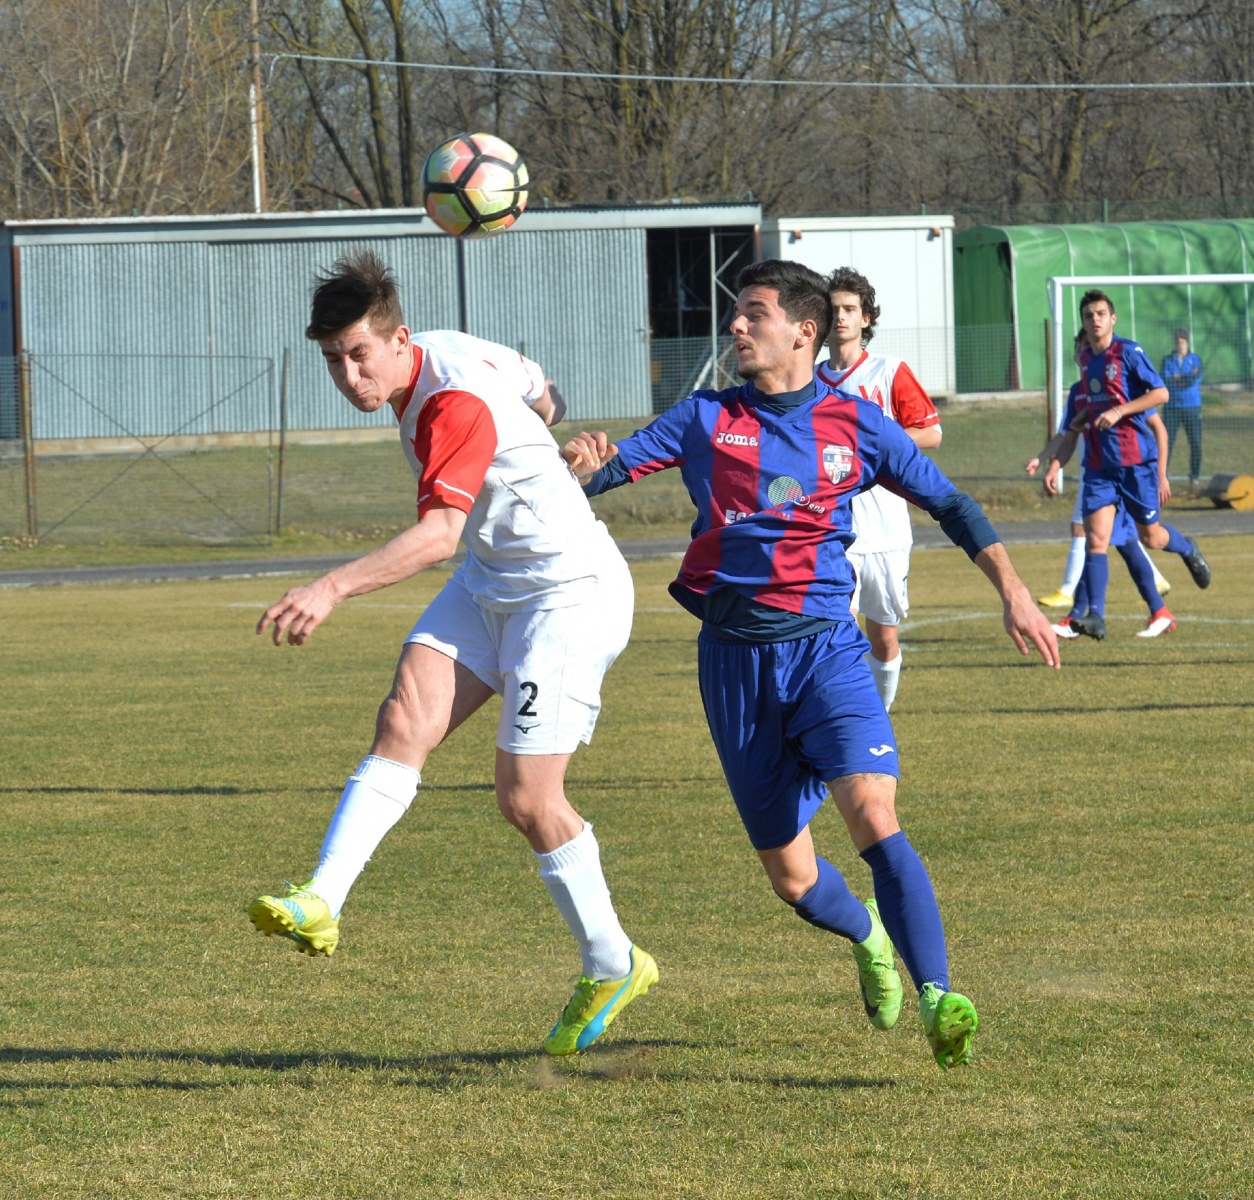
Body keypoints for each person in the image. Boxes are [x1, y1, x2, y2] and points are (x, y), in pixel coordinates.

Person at [563, 259, 1060, 1069]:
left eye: (752, 314)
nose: (735, 328)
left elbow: (953, 503)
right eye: (735, 315)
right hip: (732, 664)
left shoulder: (856, 422)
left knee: (873, 814)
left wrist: (1015, 591)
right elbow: (600, 475)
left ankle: (938, 995)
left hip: (827, 647)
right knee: (792, 878)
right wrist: (576, 468)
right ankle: (865, 935)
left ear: (803, 329)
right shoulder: (702, 417)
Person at [247, 251, 656, 1057]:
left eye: (360, 354)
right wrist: (555, 446)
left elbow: (438, 535)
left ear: (399, 341)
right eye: (333, 359)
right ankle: (323, 898)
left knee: (527, 799)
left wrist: (329, 589)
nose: (349, 375)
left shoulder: (453, 402)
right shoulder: (452, 347)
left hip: (567, 591)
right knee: (404, 718)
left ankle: (613, 961)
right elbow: (546, 394)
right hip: (494, 579)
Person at [1047, 290, 1210, 641]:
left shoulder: (1129, 352)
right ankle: (1096, 617)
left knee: (1150, 537)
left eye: (1101, 314)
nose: (1095, 320)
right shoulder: (1087, 360)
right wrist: (1072, 432)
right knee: (1096, 539)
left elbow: (1162, 394)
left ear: (1113, 318)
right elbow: (1089, 411)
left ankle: (1186, 547)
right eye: (1089, 315)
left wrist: (1120, 411)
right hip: (1101, 468)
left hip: (1136, 464)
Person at [815, 267, 941, 711]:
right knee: (837, 630)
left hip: (886, 531)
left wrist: (873, 446)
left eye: (850, 309)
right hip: (831, 530)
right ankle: (844, 724)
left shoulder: (889, 372)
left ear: (866, 318)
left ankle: (879, 718)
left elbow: (931, 433)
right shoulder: (809, 381)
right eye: (834, 310)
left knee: (883, 637)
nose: (842, 318)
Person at [1027, 332, 1175, 638]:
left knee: (1127, 539)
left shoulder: (1119, 387)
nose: (1086, 355)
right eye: (1081, 351)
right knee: (1102, 540)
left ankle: (1164, 583)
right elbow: (1066, 434)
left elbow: (1155, 419)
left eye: (1088, 349)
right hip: (1096, 474)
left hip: (1126, 472)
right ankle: (1090, 613)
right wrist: (1049, 462)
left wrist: (1161, 473)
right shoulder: (1078, 393)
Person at [1161, 329, 1204, 492]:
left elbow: (1194, 378)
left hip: (1192, 407)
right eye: (1177, 339)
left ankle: (1195, 477)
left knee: (1195, 443)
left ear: (1187, 341)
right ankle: (1162, 477)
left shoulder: (1195, 359)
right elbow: (1166, 379)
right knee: (1166, 443)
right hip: (1172, 407)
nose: (1180, 341)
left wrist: (1180, 378)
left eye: (1182, 339)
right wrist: (1180, 379)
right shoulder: (1167, 360)